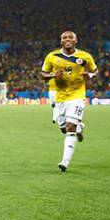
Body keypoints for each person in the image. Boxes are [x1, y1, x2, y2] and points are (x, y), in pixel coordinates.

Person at [40, 31, 97, 172]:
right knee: (64, 129)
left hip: (77, 96)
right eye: (64, 37)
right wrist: (53, 74)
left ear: (76, 40)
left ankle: (65, 161)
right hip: (60, 97)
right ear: (61, 41)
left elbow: (95, 71)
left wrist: (89, 75)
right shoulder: (52, 56)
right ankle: (79, 127)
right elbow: (43, 74)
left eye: (70, 37)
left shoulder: (85, 56)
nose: (67, 39)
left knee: (70, 128)